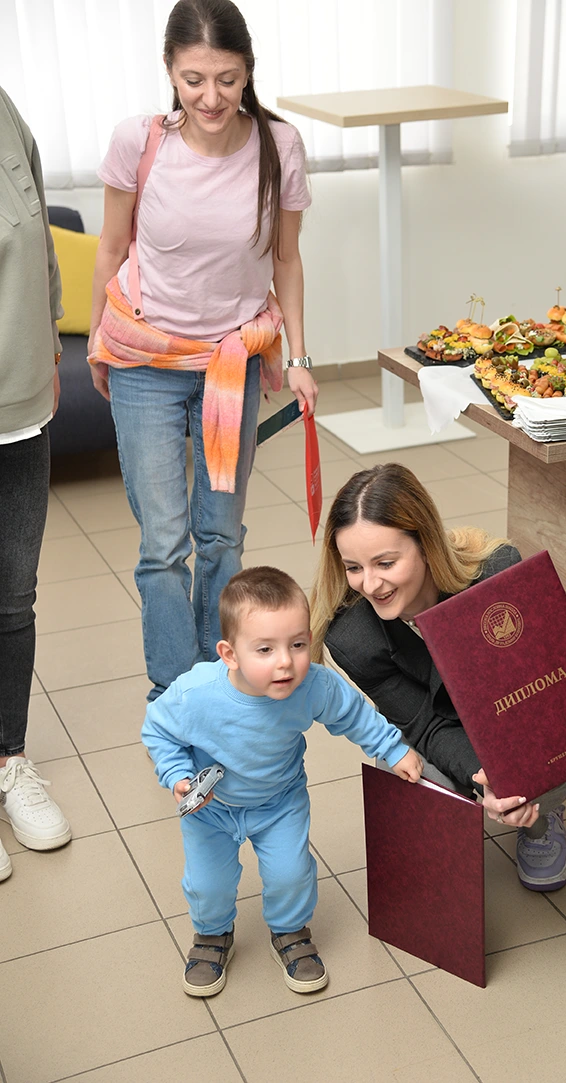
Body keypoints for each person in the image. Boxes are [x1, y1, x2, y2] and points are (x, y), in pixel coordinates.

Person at [88, 0, 318, 701]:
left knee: (220, 536)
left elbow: (286, 260)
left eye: (227, 79)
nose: (211, 97)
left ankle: (217, 677)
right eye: (193, 80)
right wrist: (99, 340)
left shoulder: (279, 146)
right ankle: (175, 690)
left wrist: (299, 358)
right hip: (145, 360)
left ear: (248, 71)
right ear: (169, 70)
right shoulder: (140, 142)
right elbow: (112, 247)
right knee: (163, 543)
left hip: (231, 362)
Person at [310, 463, 566, 892]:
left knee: (542, 763)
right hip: (440, 725)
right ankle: (452, 832)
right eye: (353, 567)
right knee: (405, 772)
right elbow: (424, 724)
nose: (370, 584)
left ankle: (542, 821)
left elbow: (540, 686)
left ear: (425, 543)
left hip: (508, 718)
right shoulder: (352, 636)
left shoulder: (495, 571)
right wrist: (486, 778)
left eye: (385, 563)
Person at [142, 566, 422, 996]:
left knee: (291, 875)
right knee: (207, 884)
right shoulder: (194, 695)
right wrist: (177, 775)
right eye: (265, 649)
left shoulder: (312, 685)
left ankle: (290, 930)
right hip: (212, 810)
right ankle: (212, 934)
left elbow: (353, 714)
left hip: (280, 802)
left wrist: (393, 748)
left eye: (297, 644)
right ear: (230, 654)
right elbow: (158, 731)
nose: (285, 662)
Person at [0, 87, 71, 879]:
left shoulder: (4, 109)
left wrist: (51, 337)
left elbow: (40, 235)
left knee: (12, 598)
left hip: (19, 401)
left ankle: (8, 759)